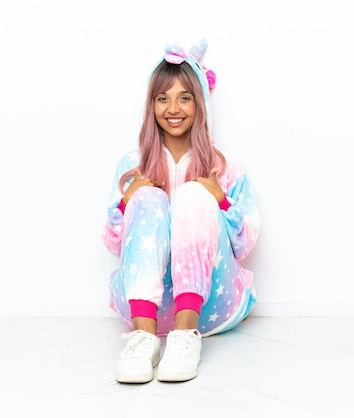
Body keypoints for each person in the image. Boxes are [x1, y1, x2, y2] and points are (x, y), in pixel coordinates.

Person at [101, 39, 261, 384]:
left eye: (184, 97)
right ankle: (143, 341)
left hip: (212, 304)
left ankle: (186, 336)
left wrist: (219, 199)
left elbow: (245, 243)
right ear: (151, 105)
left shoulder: (223, 166)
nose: (173, 108)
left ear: (200, 103)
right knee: (147, 198)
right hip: (150, 309)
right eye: (163, 98)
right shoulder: (133, 166)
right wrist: (129, 199)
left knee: (193, 194)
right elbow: (116, 245)